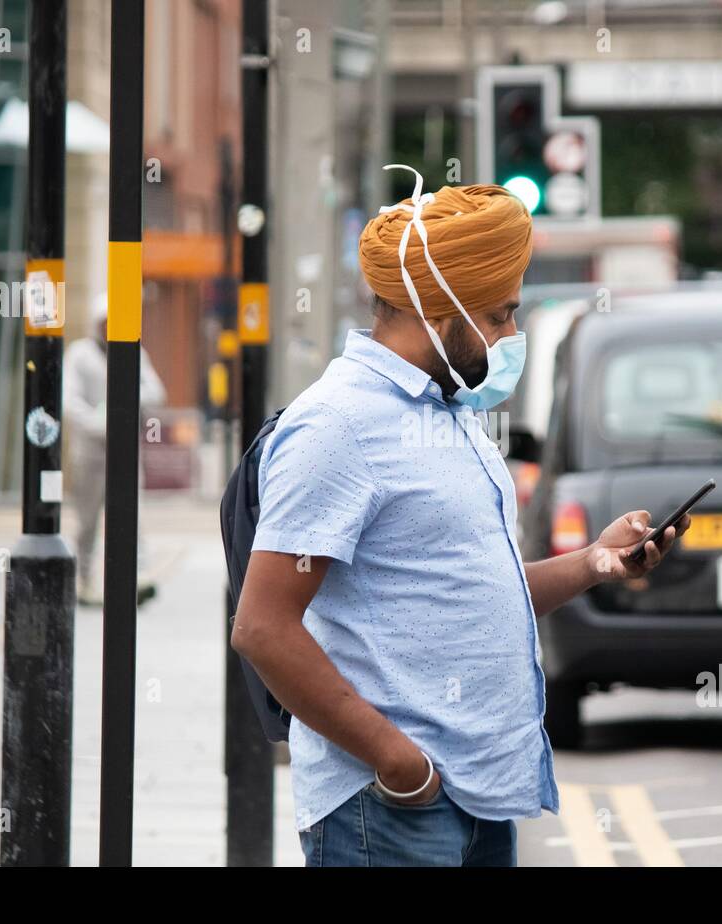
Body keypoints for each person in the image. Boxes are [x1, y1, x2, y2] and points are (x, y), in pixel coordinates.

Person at [231, 166, 687, 867]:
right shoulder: (337, 427)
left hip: (481, 798)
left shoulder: (450, 413)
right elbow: (263, 627)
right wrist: (398, 763)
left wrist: (595, 563)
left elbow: (472, 585)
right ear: (438, 312)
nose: (512, 333)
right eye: (501, 315)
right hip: (387, 812)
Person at [63, 292, 167, 606]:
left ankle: (138, 575)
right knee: (88, 520)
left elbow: (156, 393)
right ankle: (83, 580)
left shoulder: (134, 351)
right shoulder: (80, 354)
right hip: (90, 451)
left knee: (131, 513)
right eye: (105, 321)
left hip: (124, 448)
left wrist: (122, 406)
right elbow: (69, 401)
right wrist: (98, 421)